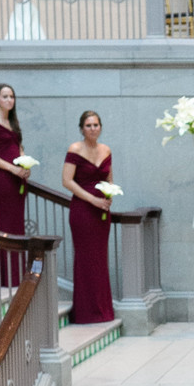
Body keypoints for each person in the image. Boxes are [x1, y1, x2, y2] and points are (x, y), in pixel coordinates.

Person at [62, 109, 115, 324]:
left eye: (96, 125)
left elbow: (110, 179)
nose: (93, 129)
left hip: (102, 212)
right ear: (82, 129)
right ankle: (85, 313)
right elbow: (67, 181)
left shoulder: (106, 149)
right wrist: (92, 200)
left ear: (100, 127)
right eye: (88, 125)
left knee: (100, 261)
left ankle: (103, 311)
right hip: (83, 212)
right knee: (85, 260)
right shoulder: (75, 148)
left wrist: (109, 196)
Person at [0, 83, 29, 287]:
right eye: (5, 96)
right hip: (3, 179)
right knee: (7, 226)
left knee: (17, 226)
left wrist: (25, 164)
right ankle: (7, 277)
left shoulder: (13, 122)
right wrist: (11, 168)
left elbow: (19, 149)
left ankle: (18, 275)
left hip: (18, 179)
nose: (9, 100)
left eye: (12, 96)